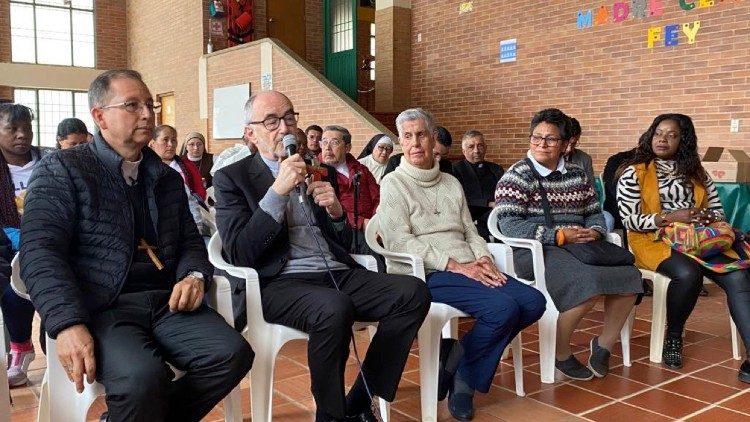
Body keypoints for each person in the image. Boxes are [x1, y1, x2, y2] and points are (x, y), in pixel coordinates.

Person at [20, 69, 252, 421]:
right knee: (143, 378)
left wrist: (193, 275)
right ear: (100, 117)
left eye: (150, 104)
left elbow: (191, 240)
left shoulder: (166, 177)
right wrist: (67, 322)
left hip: (165, 303)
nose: (147, 113)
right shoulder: (63, 169)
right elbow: (40, 252)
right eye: (132, 105)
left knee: (231, 353)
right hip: (100, 306)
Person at [213, 90, 431, 422]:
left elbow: (344, 240)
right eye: (271, 120)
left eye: (289, 117)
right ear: (250, 133)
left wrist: (335, 212)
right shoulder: (233, 177)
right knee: (334, 306)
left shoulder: (317, 170)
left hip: (333, 270)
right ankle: (330, 415)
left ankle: (359, 399)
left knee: (412, 291)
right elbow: (240, 253)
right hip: (276, 282)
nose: (284, 127)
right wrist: (276, 192)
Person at [378, 108, 545, 421]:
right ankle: (466, 381)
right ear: (401, 142)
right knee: (502, 309)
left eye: (421, 135)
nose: (415, 143)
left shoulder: (451, 183)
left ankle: (459, 358)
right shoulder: (394, 184)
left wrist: (481, 256)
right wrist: (455, 264)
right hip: (425, 272)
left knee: (533, 301)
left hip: (469, 265)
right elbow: (400, 242)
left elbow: (470, 230)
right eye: (408, 136)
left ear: (433, 138)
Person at [495, 108, 641, 381]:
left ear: (564, 144)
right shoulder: (517, 176)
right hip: (533, 250)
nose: (541, 144)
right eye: (536, 137)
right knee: (586, 281)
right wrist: (560, 236)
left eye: (550, 139)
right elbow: (510, 226)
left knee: (629, 276)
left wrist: (596, 232)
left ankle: (603, 345)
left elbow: (594, 212)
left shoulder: (577, 174)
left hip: (580, 246)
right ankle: (560, 353)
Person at [616, 113, 750, 381]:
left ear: (683, 141)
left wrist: (704, 217)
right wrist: (670, 218)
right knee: (688, 274)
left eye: (672, 135)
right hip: (653, 240)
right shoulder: (635, 172)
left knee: (739, 276)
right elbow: (629, 219)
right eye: (658, 133)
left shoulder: (697, 173)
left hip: (699, 240)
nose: (663, 139)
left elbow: (718, 213)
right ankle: (674, 335)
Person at [0, 103, 51, 387]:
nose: (22, 135)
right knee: (11, 291)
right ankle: (20, 348)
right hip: (8, 248)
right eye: (12, 129)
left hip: (53, 242)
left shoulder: (49, 161)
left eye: (27, 128)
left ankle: (54, 347)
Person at [149, 125, 207, 234]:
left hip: (187, 218)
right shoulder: (144, 168)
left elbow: (199, 193)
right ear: (152, 144)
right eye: (165, 140)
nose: (170, 144)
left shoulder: (187, 165)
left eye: (174, 140)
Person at [320, 125, 379, 231]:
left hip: (373, 225)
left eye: (334, 142)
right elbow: (325, 210)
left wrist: (376, 221)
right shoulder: (317, 173)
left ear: (347, 148)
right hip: (343, 229)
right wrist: (361, 222)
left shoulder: (361, 169)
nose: (327, 148)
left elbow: (377, 197)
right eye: (324, 142)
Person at [452, 130, 504, 240]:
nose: (476, 150)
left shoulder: (496, 169)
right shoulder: (455, 169)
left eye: (480, 146)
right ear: (463, 150)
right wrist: (488, 203)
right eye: (471, 147)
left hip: (497, 214)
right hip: (471, 217)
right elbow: (457, 198)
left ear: (485, 148)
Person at [383, 125, 454, 177]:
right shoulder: (396, 162)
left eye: (443, 155)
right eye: (436, 154)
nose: (439, 160)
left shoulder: (446, 166)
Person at [564, 118, 595, 184]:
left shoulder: (585, 159)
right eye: (566, 143)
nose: (569, 149)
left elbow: (592, 189)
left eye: (574, 143)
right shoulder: (546, 158)